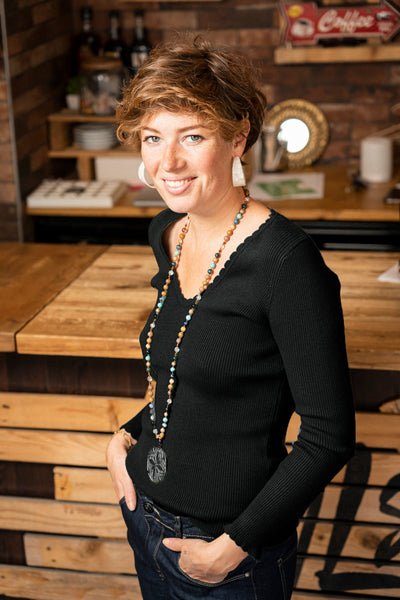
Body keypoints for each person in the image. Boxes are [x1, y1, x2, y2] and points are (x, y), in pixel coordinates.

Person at [106, 36, 355, 600]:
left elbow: (329, 438)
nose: (168, 162)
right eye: (153, 137)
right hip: (145, 522)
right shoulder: (169, 232)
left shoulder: (287, 264)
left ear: (238, 137)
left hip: (227, 556)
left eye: (192, 136)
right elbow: (184, 372)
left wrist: (231, 548)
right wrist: (124, 438)